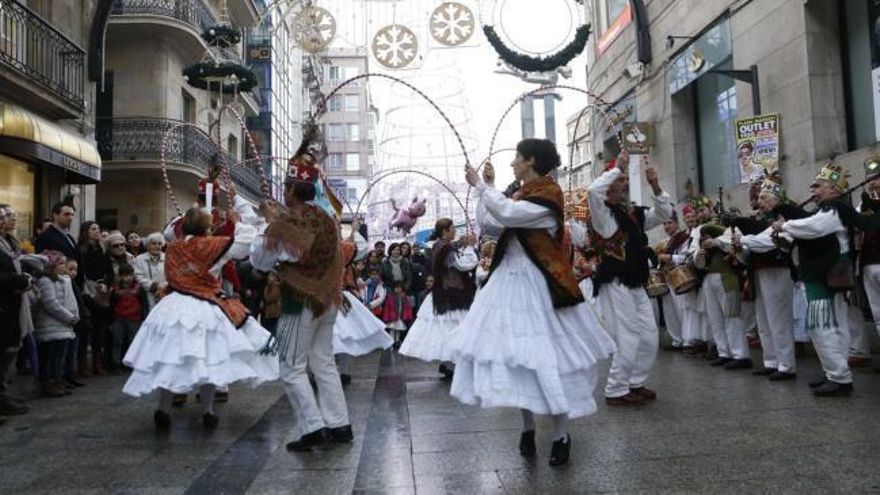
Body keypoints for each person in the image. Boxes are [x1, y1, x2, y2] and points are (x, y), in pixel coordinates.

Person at [452, 138, 616, 466]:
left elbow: (509, 213)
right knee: (519, 360)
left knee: (547, 359)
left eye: (516, 158)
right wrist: (488, 187)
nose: (512, 163)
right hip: (507, 285)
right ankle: (527, 428)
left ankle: (560, 434)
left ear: (530, 161)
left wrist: (484, 188)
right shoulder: (522, 194)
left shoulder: (548, 195)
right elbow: (492, 223)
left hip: (540, 286)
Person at [122, 206, 278, 429]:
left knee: (170, 357)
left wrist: (191, 215)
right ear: (208, 227)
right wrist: (237, 221)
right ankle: (207, 410)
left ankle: (163, 409)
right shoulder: (213, 245)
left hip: (174, 306)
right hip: (206, 306)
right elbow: (247, 243)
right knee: (209, 357)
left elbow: (169, 231)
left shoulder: (174, 246)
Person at [250, 151, 352, 452]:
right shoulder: (328, 219)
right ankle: (339, 424)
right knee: (324, 363)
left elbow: (261, 258)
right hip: (329, 298)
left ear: (292, 190)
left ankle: (313, 428)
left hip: (300, 300)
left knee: (292, 367)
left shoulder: (289, 220)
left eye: (286, 185)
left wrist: (272, 223)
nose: (283, 190)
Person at [588, 151, 674, 406]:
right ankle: (615, 388)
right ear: (609, 180)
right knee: (628, 334)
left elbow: (663, 214)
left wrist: (655, 185)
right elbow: (593, 191)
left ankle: (634, 381)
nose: (625, 182)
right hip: (615, 281)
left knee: (648, 335)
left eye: (626, 179)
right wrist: (617, 167)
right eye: (620, 179)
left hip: (636, 280)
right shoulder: (602, 213)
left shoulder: (634, 213)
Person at [771, 163, 859, 396]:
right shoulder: (826, 210)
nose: (813, 190)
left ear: (834, 191)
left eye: (818, 186)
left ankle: (840, 378)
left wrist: (785, 225)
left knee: (823, 327)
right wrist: (785, 234)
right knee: (833, 326)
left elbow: (814, 228)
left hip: (825, 277)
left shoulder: (835, 209)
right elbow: (810, 229)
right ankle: (835, 374)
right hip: (825, 276)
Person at [720, 175, 807, 380]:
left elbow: (769, 242)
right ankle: (771, 361)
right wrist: (739, 248)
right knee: (763, 319)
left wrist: (744, 240)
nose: (761, 202)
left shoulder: (784, 218)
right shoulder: (759, 221)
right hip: (758, 271)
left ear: (777, 199)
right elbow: (747, 253)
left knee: (779, 318)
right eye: (760, 198)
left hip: (778, 271)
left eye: (766, 197)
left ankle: (786, 365)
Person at [400, 218, 478, 378]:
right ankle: (450, 365)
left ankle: (447, 364)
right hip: (451, 293)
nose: (455, 231)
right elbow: (464, 265)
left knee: (445, 329)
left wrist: (462, 243)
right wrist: (470, 248)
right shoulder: (444, 247)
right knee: (453, 329)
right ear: (445, 231)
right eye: (452, 229)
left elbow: (449, 250)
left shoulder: (438, 245)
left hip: (443, 292)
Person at [333, 218, 392, 384]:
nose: (337, 230)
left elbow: (358, 249)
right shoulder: (337, 248)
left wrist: (353, 232)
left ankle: (339, 371)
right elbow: (359, 248)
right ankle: (336, 371)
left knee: (342, 334)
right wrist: (354, 231)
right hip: (333, 296)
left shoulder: (331, 247)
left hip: (337, 297)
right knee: (340, 335)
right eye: (336, 227)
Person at [0, 204, 32, 418]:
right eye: (4, 216)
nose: (8, 220)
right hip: (4, 304)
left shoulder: (10, 242)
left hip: (12, 304)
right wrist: (21, 280)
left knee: (8, 351)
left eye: (9, 216)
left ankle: (2, 394)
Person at [32, 250, 78, 398]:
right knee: (50, 356)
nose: (63, 266)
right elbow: (51, 303)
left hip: (61, 325)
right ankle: (48, 382)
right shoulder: (45, 280)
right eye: (60, 263)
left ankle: (57, 380)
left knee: (59, 355)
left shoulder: (61, 279)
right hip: (50, 326)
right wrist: (69, 317)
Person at [76, 221, 111, 376]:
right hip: (87, 293)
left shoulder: (103, 249)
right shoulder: (80, 250)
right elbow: (80, 271)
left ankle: (97, 362)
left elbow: (109, 271)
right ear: (86, 232)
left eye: (98, 228)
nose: (97, 231)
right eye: (93, 229)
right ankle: (82, 364)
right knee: (86, 329)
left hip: (101, 292)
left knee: (100, 330)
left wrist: (105, 283)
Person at [655, 214, 690, 350]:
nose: (666, 226)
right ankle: (676, 340)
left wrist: (670, 257)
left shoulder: (683, 238)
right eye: (664, 224)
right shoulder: (664, 242)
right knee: (669, 311)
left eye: (669, 223)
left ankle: (687, 340)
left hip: (679, 277)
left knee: (680, 309)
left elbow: (685, 257)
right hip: (666, 277)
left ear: (676, 223)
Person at [109, 264, 148, 369]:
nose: (128, 278)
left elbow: (144, 303)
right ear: (120, 276)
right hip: (119, 318)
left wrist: (144, 317)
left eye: (130, 275)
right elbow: (112, 305)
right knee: (118, 342)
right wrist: (112, 319)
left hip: (135, 318)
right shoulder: (116, 290)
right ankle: (116, 363)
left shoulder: (139, 288)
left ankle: (132, 363)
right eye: (125, 276)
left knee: (133, 342)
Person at [133, 232, 167, 310]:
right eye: (154, 244)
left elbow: (172, 275)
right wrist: (154, 286)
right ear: (147, 246)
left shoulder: (167, 257)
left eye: (159, 243)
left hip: (165, 294)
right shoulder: (140, 259)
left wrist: (163, 286)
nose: (157, 246)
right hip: (146, 295)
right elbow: (137, 276)